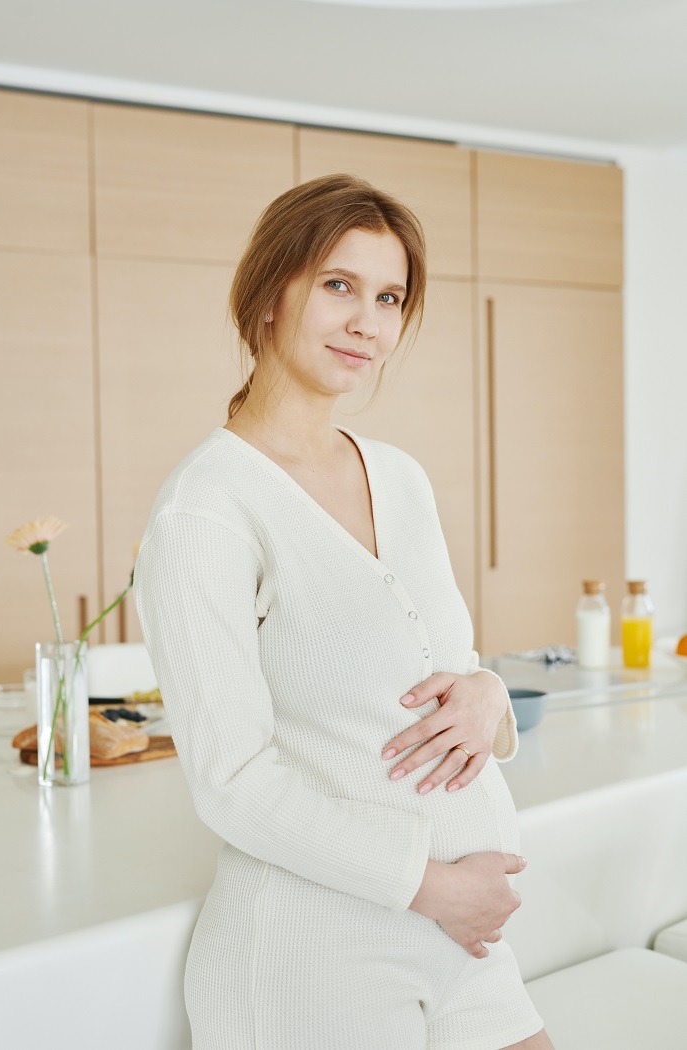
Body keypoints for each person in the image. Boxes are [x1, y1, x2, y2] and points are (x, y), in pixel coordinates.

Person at [134, 173, 553, 1050]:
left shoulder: (400, 475)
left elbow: (442, 664)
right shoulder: (206, 509)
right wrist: (433, 887)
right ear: (268, 296)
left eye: (389, 297)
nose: (368, 321)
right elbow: (232, 781)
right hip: (314, 958)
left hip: (462, 945)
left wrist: (486, 694)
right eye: (338, 285)